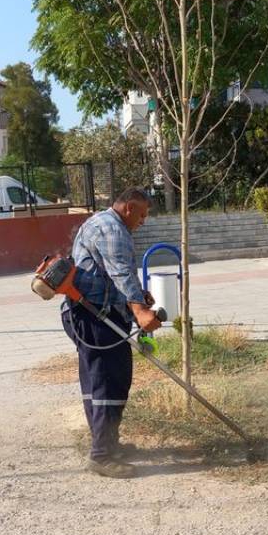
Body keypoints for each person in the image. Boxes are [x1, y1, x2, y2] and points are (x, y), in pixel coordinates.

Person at [62, 187, 162, 479]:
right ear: (129, 208)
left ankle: (106, 444)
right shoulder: (112, 229)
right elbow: (120, 272)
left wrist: (136, 297)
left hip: (89, 314)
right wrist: (141, 312)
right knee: (110, 381)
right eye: (142, 214)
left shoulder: (102, 223)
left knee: (98, 381)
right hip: (94, 317)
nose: (143, 221)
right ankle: (102, 456)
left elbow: (108, 274)